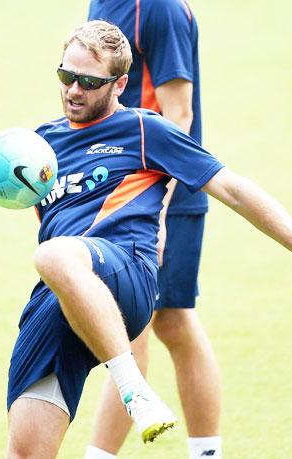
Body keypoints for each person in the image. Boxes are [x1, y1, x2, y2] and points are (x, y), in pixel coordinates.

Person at [0, 21, 292, 459]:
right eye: (66, 76)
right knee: (26, 449)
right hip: (61, 298)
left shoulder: (146, 130)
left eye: (89, 82)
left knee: (52, 253)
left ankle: (133, 389)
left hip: (126, 274)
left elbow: (232, 188)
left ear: (118, 85)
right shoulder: (34, 147)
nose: (73, 90)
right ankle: (128, 383)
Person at [86, 1, 222, 458]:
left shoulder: (157, 8)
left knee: (132, 329)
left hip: (160, 195)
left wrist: (155, 211)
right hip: (120, 188)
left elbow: (178, 114)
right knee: (172, 323)